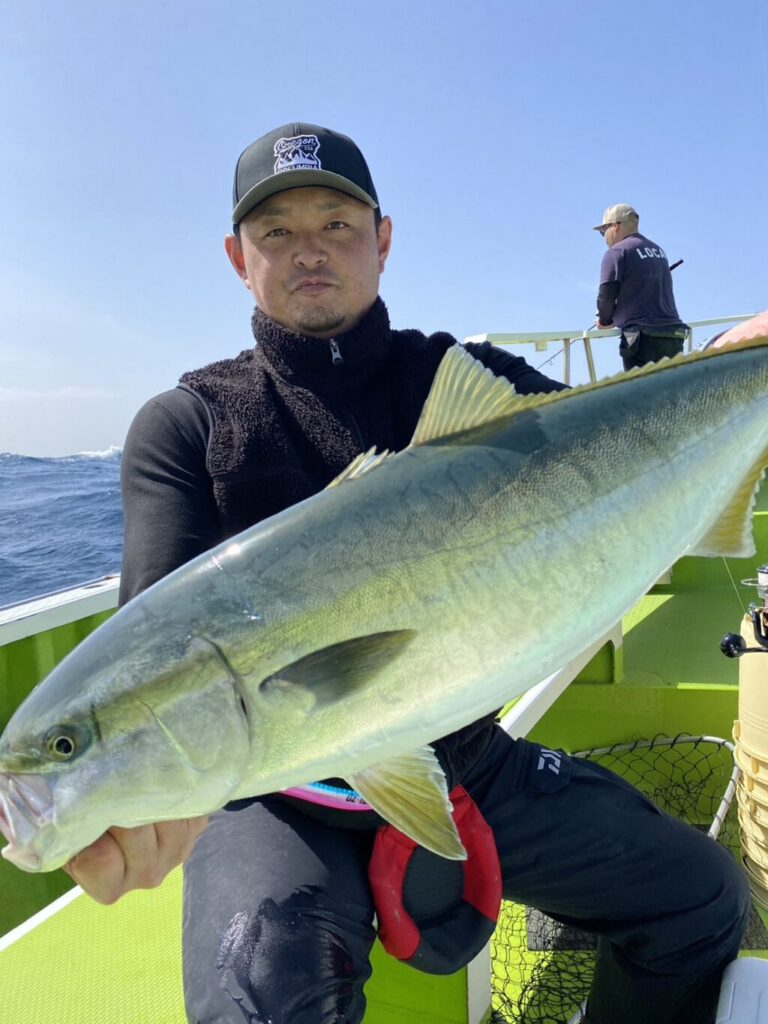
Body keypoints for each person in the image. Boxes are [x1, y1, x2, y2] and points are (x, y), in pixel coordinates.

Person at [65, 124, 749, 1024]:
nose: (309, 250)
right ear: (238, 258)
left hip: (461, 752)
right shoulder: (188, 426)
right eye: (277, 232)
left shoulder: (463, 380)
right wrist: (156, 804)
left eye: (337, 224)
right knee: (260, 1001)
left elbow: (619, 440)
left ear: (382, 240)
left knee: (699, 901)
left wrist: (738, 366)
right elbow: (155, 670)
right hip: (274, 798)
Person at [593, 204, 689, 370]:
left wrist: (604, 321)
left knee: (643, 386)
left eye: (603, 231)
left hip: (641, 338)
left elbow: (606, 295)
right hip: (674, 335)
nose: (604, 237)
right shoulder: (658, 250)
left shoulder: (616, 252)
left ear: (615, 226)